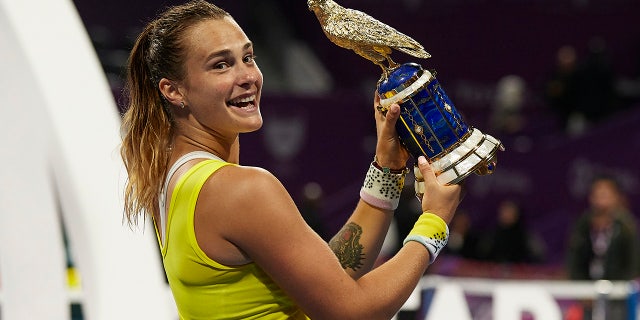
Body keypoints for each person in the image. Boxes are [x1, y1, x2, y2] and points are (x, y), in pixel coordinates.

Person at [119, 1, 463, 319]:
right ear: (173, 90)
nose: (248, 77)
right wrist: (434, 222)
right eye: (221, 64)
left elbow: (331, 275)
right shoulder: (239, 190)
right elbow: (351, 312)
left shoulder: (178, 178)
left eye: (248, 57)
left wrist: (386, 170)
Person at [566, 175, 639, 319]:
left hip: (618, 296)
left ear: (616, 197)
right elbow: (573, 261)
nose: (601, 200)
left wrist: (619, 289)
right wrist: (582, 290)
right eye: (598, 195)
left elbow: (633, 263)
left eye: (606, 195)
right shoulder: (583, 225)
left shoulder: (626, 227)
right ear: (591, 197)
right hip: (588, 296)